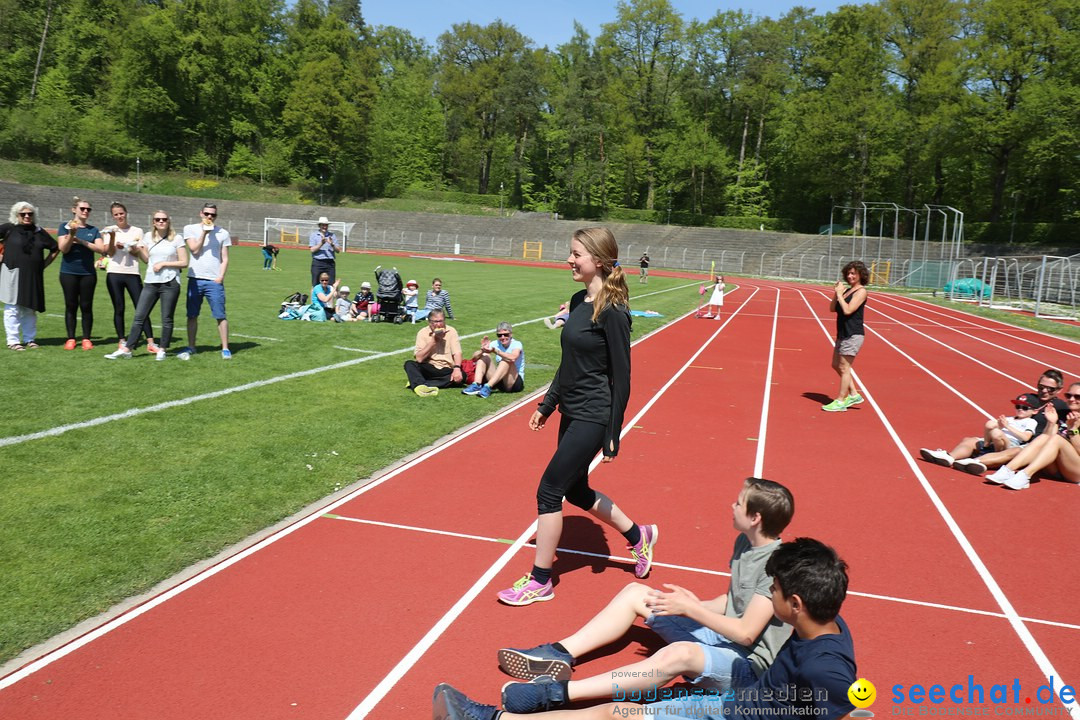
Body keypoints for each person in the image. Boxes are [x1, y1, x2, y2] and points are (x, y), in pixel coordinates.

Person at [433, 537, 856, 720]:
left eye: (775, 590)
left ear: (796, 605)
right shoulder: (824, 626)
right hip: (730, 706)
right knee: (618, 712)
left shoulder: (827, 669)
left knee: (617, 713)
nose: (771, 595)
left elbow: (850, 703)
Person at [496, 478, 795, 714]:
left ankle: (556, 693)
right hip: (723, 640)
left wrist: (691, 610)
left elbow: (746, 633)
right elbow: (734, 601)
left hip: (748, 669)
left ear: (755, 517)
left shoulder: (775, 566)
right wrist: (691, 606)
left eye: (739, 503)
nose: (732, 505)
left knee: (679, 654)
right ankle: (560, 652)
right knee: (636, 593)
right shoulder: (746, 542)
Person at [496, 227, 655, 607]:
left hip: (595, 415)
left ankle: (540, 580)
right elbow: (569, 364)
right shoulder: (577, 300)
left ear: (598, 260)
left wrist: (613, 433)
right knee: (576, 491)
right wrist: (546, 406)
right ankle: (639, 535)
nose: (569, 260)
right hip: (571, 410)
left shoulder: (614, 313)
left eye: (576, 254)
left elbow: (623, 376)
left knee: (549, 490)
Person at [104, 211, 189, 360]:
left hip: (170, 282)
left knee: (167, 318)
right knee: (139, 316)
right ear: (154, 222)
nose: (161, 221)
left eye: (164, 219)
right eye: (158, 219)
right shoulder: (148, 237)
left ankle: (162, 349)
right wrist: (133, 248)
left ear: (168, 221)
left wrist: (164, 263)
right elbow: (146, 259)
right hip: (151, 282)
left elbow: (184, 262)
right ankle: (127, 348)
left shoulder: (177, 238)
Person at [986, 383, 1080, 490]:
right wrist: (1051, 423)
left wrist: (1073, 429)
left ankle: (1025, 474)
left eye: (1077, 397)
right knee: (1045, 437)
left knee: (1058, 439)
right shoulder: (1064, 414)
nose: (1072, 399)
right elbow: (1048, 440)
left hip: (1076, 471)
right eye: (1069, 395)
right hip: (1054, 467)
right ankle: (1008, 470)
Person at [919, 393, 1040, 474]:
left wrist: (1007, 427)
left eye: (1025, 408)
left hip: (1009, 444)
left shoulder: (1031, 422)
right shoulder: (1009, 418)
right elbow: (991, 427)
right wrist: (995, 425)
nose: (1020, 409)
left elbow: (1026, 437)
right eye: (1018, 406)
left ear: (1034, 411)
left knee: (997, 433)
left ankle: (977, 460)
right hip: (993, 441)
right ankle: (949, 457)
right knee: (970, 439)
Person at [0, 201, 59, 350]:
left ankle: (29, 339)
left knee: (30, 308)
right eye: (23, 214)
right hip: (12, 273)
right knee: (12, 307)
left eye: (30, 214)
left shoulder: (39, 231)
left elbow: (55, 248)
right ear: (16, 215)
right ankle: (13, 341)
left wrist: (43, 265)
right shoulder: (9, 229)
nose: (27, 216)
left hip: (33, 275)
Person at [102, 202, 157, 353]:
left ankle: (150, 342)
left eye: (121, 213)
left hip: (132, 273)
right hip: (114, 272)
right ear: (112, 216)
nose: (119, 216)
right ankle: (122, 340)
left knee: (141, 308)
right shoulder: (109, 230)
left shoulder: (137, 231)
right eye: (116, 214)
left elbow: (137, 252)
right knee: (119, 307)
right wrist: (113, 239)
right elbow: (110, 253)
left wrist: (128, 247)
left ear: (126, 213)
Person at [179, 203, 231, 360]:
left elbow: (225, 258)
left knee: (220, 315)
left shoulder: (223, 232)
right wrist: (204, 233)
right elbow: (194, 250)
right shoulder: (190, 229)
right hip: (195, 279)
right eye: (207, 214)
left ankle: (225, 348)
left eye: (213, 215)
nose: (210, 217)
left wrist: (220, 277)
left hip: (214, 280)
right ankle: (192, 346)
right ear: (201, 213)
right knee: (192, 315)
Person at [57, 196, 106, 350]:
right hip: (68, 272)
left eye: (88, 209)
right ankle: (71, 338)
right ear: (74, 210)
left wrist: (82, 241)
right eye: (82, 208)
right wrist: (72, 235)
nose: (85, 211)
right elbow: (63, 249)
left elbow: (102, 249)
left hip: (88, 274)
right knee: (71, 305)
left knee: (86, 306)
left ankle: (86, 338)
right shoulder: (64, 227)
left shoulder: (93, 230)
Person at [822, 260, 868, 412]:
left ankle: (841, 400)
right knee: (836, 365)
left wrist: (841, 295)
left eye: (853, 273)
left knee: (845, 367)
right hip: (842, 333)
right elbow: (830, 308)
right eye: (848, 273)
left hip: (853, 333)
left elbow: (848, 310)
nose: (850, 276)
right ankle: (854, 394)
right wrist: (837, 294)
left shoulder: (861, 291)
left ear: (861, 275)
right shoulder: (847, 291)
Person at [404, 308, 464, 397]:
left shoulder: (451, 331)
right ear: (429, 322)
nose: (439, 324)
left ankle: (419, 383)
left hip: (446, 368)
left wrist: (457, 368)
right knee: (409, 364)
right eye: (435, 322)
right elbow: (419, 359)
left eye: (441, 321)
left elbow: (457, 353)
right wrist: (433, 341)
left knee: (462, 376)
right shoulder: (422, 332)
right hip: (429, 367)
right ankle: (420, 384)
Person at [463, 322, 525, 399]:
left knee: (506, 360)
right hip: (500, 381)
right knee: (485, 356)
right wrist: (483, 350)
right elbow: (474, 357)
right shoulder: (495, 343)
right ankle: (477, 385)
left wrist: (496, 351)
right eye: (499, 335)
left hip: (514, 382)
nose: (503, 337)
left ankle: (488, 387)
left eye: (506, 334)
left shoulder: (517, 344)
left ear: (511, 334)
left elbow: (513, 357)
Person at [309, 216, 341, 286]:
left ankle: (329, 297)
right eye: (323, 225)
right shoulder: (314, 235)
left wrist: (332, 244)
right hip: (318, 262)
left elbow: (338, 250)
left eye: (326, 225)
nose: (325, 227)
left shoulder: (332, 236)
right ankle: (314, 297)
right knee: (315, 284)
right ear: (319, 225)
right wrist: (321, 243)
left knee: (331, 285)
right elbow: (312, 250)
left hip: (330, 263)